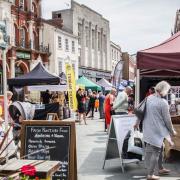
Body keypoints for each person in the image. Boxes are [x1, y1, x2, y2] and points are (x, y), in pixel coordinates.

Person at [135, 81, 176, 180]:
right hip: (157, 130)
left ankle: (160, 168)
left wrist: (137, 122)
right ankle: (150, 174)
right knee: (156, 151)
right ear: (164, 90)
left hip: (147, 128)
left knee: (159, 148)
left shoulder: (148, 98)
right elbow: (167, 120)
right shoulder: (163, 102)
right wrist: (172, 131)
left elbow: (141, 112)